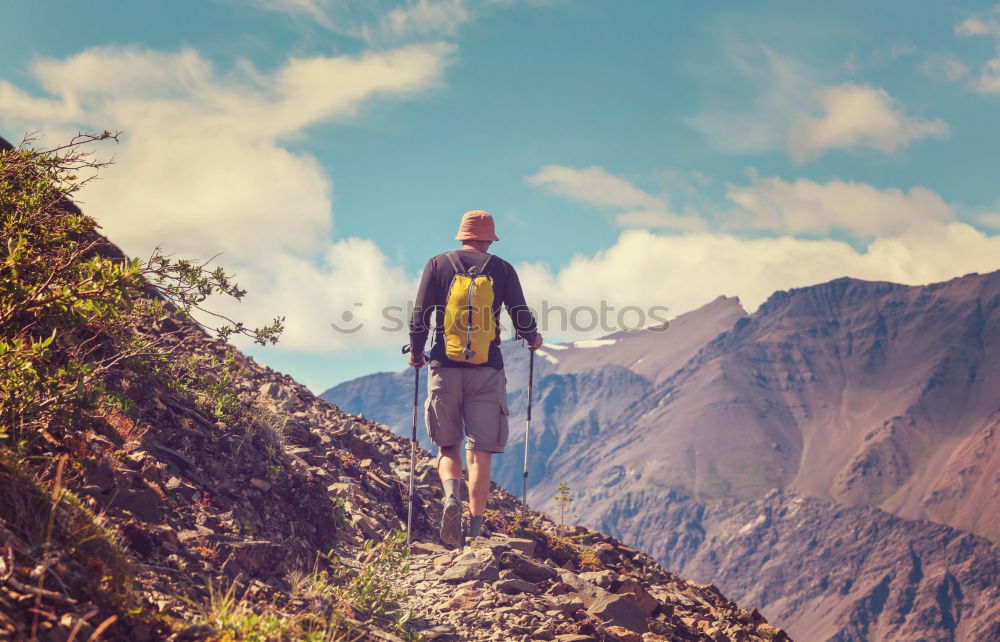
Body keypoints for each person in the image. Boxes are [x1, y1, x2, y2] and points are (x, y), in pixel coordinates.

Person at [408, 209, 542, 547]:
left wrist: (416, 352)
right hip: (487, 370)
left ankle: (451, 497)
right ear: (489, 238)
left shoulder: (437, 265)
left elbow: (420, 315)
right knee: (479, 452)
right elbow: (520, 314)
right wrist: (532, 338)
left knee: (447, 445)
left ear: (462, 235)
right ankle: (476, 530)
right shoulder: (502, 270)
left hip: (444, 365)